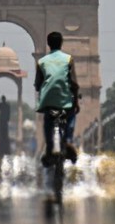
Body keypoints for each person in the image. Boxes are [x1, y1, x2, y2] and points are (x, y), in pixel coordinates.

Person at [34, 31, 80, 166]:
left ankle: (49, 147)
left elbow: (37, 85)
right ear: (61, 43)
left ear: (48, 44)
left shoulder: (41, 62)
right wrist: (76, 102)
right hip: (65, 101)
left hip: (48, 102)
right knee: (71, 114)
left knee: (48, 121)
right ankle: (68, 140)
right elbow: (74, 84)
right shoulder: (68, 59)